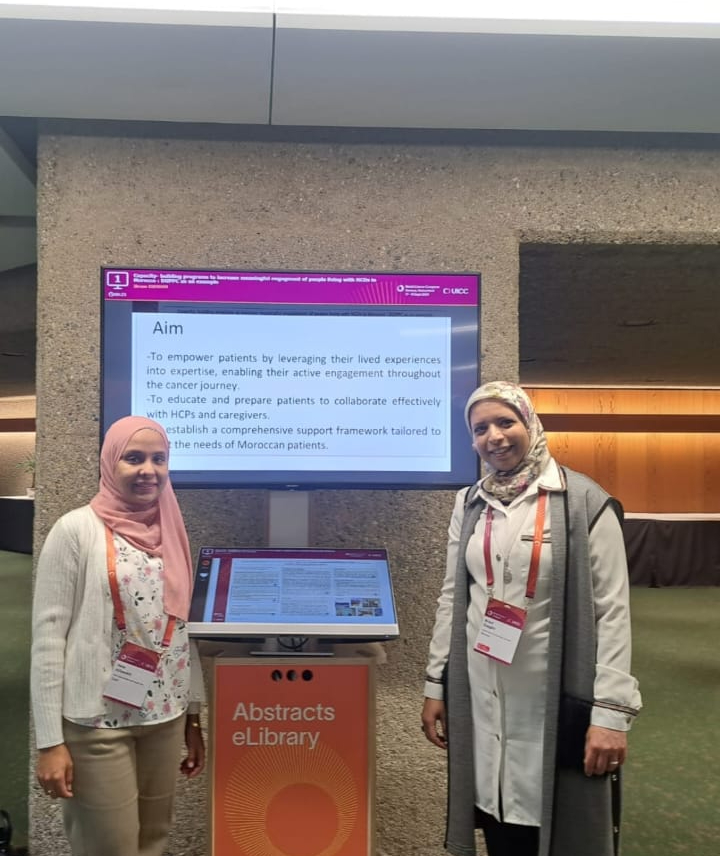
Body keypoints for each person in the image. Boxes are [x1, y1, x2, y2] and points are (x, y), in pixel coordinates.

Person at [421, 382, 641, 856]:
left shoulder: (585, 501)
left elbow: (612, 611)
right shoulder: (470, 502)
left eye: (506, 422)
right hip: (481, 692)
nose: (494, 437)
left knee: (556, 825)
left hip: (551, 699)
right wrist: (436, 684)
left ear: (531, 423)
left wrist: (611, 716)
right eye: (480, 428)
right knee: (498, 821)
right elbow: (453, 596)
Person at [31, 416, 205, 856]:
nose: (149, 470)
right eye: (134, 458)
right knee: (108, 847)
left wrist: (193, 717)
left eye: (158, 459)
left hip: (164, 717)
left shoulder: (172, 530)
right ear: (110, 462)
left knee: (153, 841)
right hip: (97, 724)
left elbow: (182, 630)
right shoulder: (75, 531)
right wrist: (50, 741)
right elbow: (48, 641)